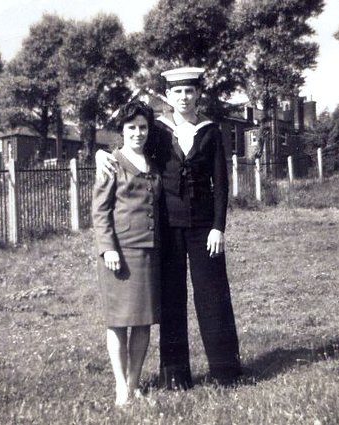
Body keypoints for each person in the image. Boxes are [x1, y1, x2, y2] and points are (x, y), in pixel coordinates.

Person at [96, 67, 242, 390]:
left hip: (204, 228)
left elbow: (222, 183)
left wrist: (219, 226)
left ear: (198, 94)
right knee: (172, 298)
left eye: (190, 91)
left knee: (213, 295)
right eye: (178, 92)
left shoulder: (211, 131)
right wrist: (98, 154)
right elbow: (127, 148)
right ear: (169, 96)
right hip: (168, 227)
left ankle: (225, 370)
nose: (184, 98)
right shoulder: (158, 132)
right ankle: (175, 374)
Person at [92, 100, 161, 406]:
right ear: (122, 130)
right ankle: (121, 387)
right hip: (119, 254)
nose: (138, 133)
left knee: (143, 322)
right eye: (131, 127)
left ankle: (134, 384)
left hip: (148, 254)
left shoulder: (154, 162)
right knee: (118, 323)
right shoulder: (112, 162)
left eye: (143, 127)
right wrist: (108, 249)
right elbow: (100, 211)